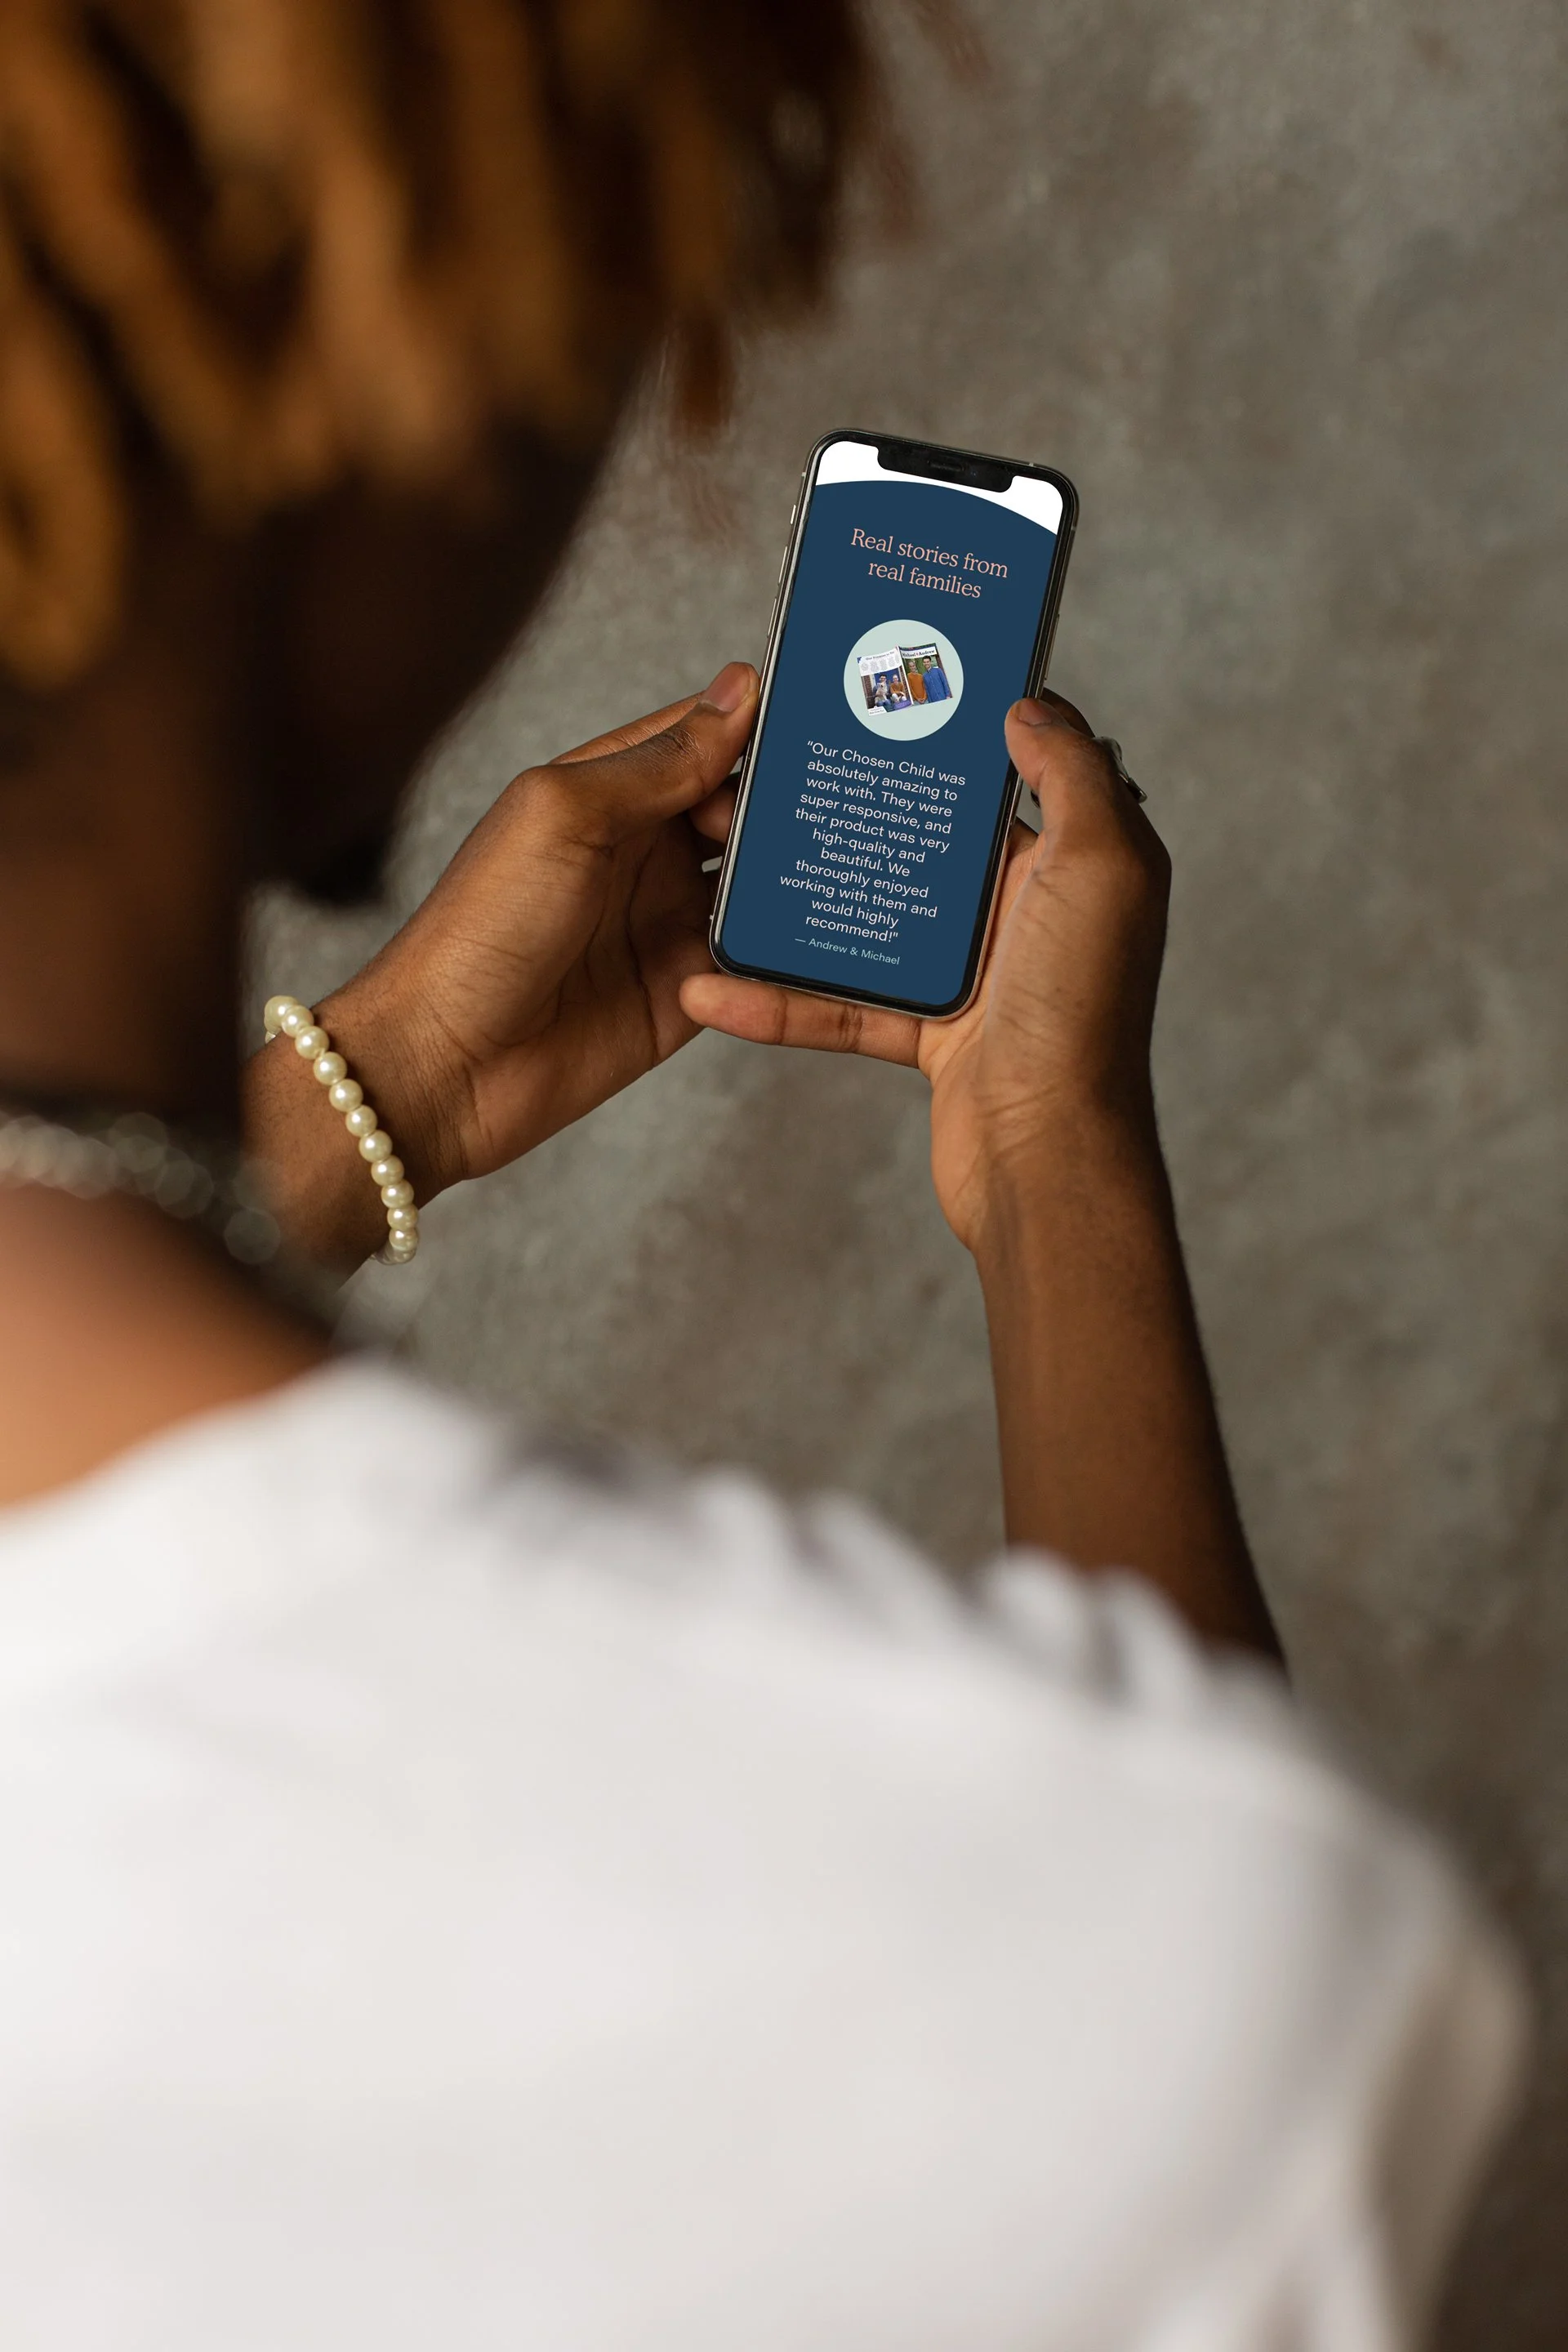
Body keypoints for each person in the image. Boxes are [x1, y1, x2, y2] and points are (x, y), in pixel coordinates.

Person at [0, 7, 1526, 2348]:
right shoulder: (1156, 1965)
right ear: (407, 387)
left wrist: (374, 1087)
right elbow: (1159, 1959)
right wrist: (1047, 1160)